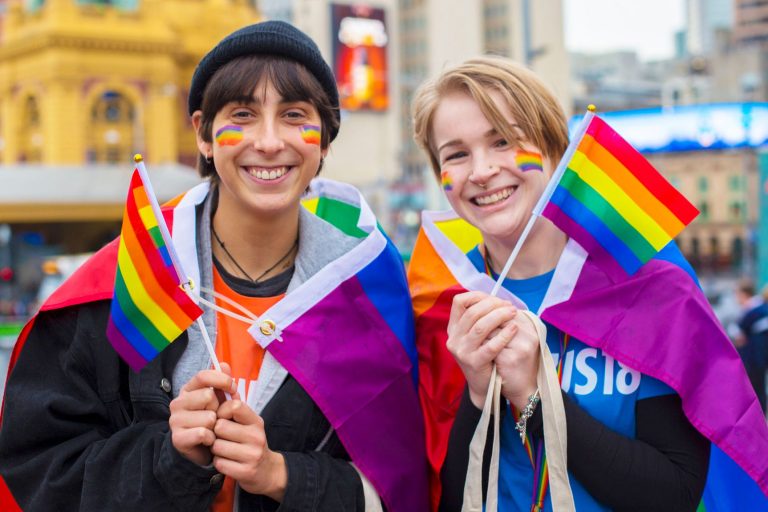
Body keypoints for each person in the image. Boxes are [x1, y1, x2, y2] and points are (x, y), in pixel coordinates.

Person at [0, 21, 427, 512]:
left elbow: (400, 488)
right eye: (242, 115)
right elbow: (40, 471)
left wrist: (282, 475)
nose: (268, 142)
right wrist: (171, 457)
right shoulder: (125, 280)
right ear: (203, 135)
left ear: (324, 141)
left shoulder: (367, 290)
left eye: (294, 115)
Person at [406, 55, 751, 511]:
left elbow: (674, 495)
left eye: (504, 141)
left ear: (554, 150)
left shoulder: (645, 285)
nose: (482, 170)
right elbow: (445, 499)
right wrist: (475, 393)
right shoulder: (441, 299)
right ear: (440, 177)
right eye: (456, 154)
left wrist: (533, 393)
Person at [734, 278, 768, 413]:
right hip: (757, 357)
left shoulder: (754, 311)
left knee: (754, 389)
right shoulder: (759, 310)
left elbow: (739, 336)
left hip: (754, 358)